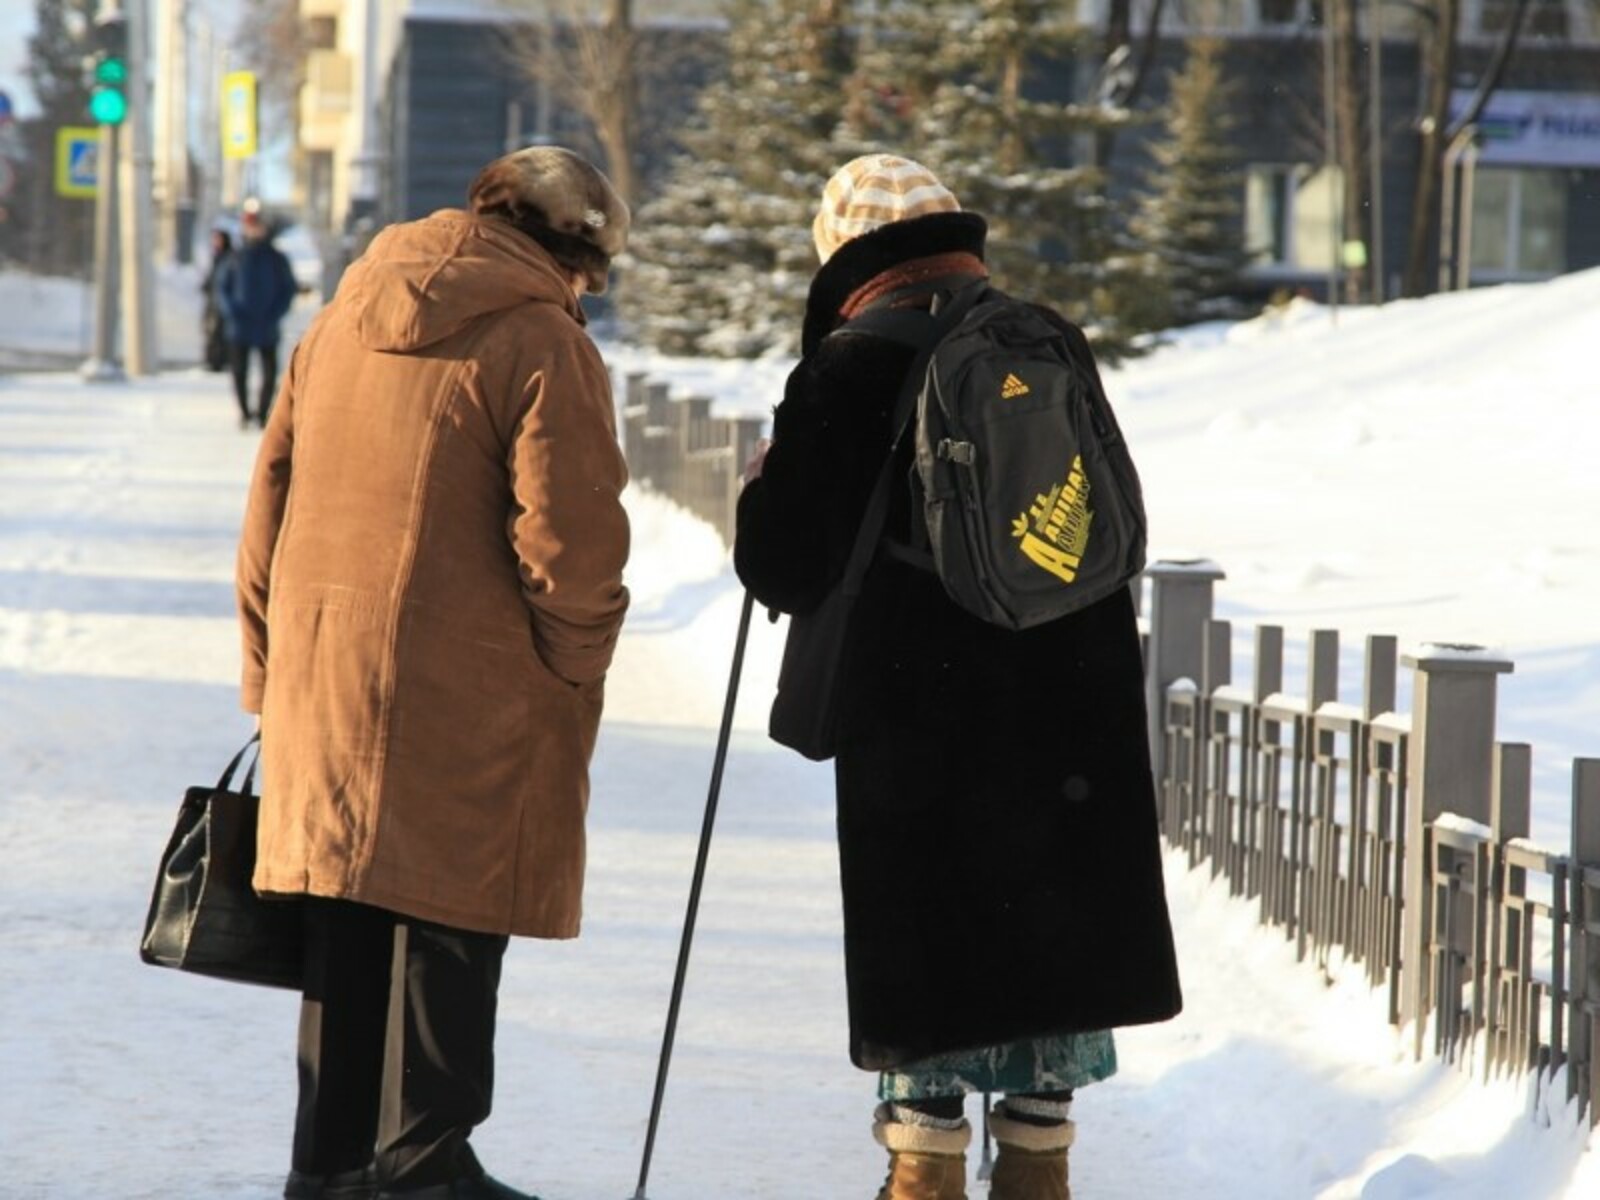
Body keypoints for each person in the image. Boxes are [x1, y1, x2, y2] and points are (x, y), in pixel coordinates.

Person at [734, 154, 1183, 1200]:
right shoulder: (1045, 340)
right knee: (1050, 935)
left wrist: (762, 489)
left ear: (845, 252)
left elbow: (784, 565)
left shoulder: (851, 361)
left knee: (932, 941)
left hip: (923, 713)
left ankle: (924, 1165)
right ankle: (1038, 1165)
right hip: (1067, 696)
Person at [235, 146, 631, 1200]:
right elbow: (572, 545)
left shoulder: (340, 317)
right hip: (472, 688)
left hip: (325, 673)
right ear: (575, 250)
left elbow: (269, 493)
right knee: (453, 913)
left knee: (346, 915)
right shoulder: (540, 339)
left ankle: (327, 1166)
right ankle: (423, 1161)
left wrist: (269, 667)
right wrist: (573, 668)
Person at [214, 205, 298, 428]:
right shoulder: (235, 257)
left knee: (269, 373)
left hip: (267, 325)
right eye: (249, 225)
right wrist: (232, 313)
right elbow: (222, 288)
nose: (253, 230)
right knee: (239, 371)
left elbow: (288, 289)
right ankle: (244, 412)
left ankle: (262, 413)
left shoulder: (276, 258)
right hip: (239, 326)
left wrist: (275, 313)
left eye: (257, 225)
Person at [200, 228, 234, 373]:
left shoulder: (230, 258)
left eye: (218, 239)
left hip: (223, 303)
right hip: (213, 302)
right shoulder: (216, 257)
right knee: (211, 332)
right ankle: (212, 361)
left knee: (220, 333)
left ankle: (220, 361)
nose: (216, 242)